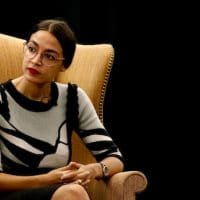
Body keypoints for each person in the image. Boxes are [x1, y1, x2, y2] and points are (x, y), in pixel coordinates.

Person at [0, 18, 124, 200]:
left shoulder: (73, 98)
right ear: (24, 48)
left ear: (64, 65)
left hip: (60, 193)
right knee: (72, 192)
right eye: (32, 49)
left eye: (49, 56)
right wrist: (48, 179)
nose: (35, 60)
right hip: (10, 195)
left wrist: (92, 170)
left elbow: (114, 158)